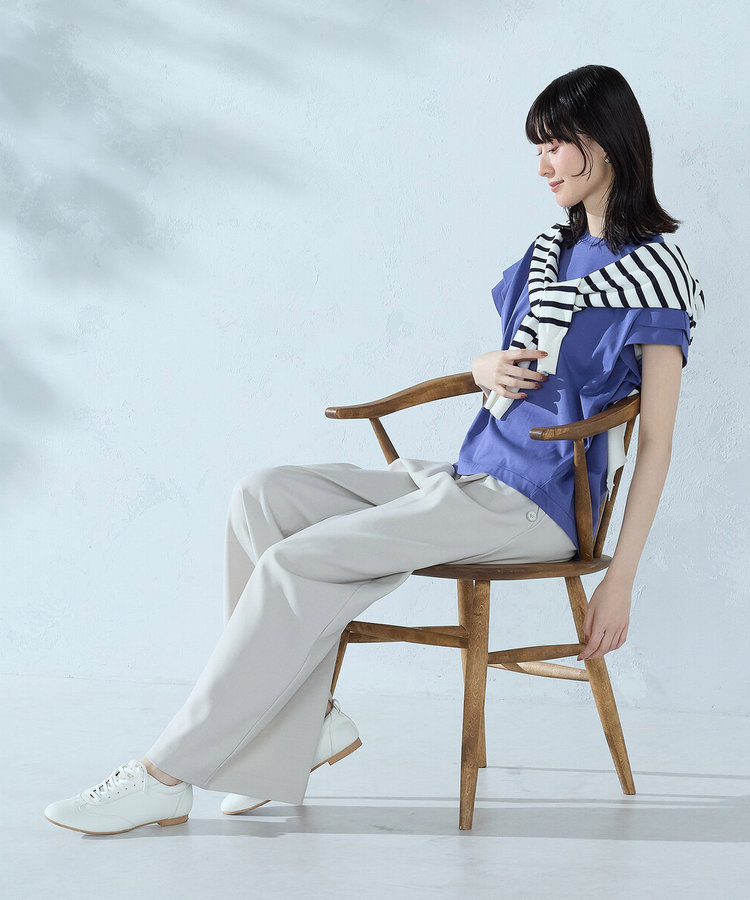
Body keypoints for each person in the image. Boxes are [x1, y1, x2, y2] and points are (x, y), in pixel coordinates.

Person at [43, 64, 702, 834]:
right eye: (538, 149)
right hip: (473, 477)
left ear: (607, 142)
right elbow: (515, 364)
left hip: (538, 506)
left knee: (296, 563)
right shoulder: (551, 250)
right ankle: (297, 728)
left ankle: (166, 773)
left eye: (555, 145)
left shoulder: (656, 273)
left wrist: (621, 579)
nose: (542, 165)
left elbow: (656, 440)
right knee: (262, 495)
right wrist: (481, 368)